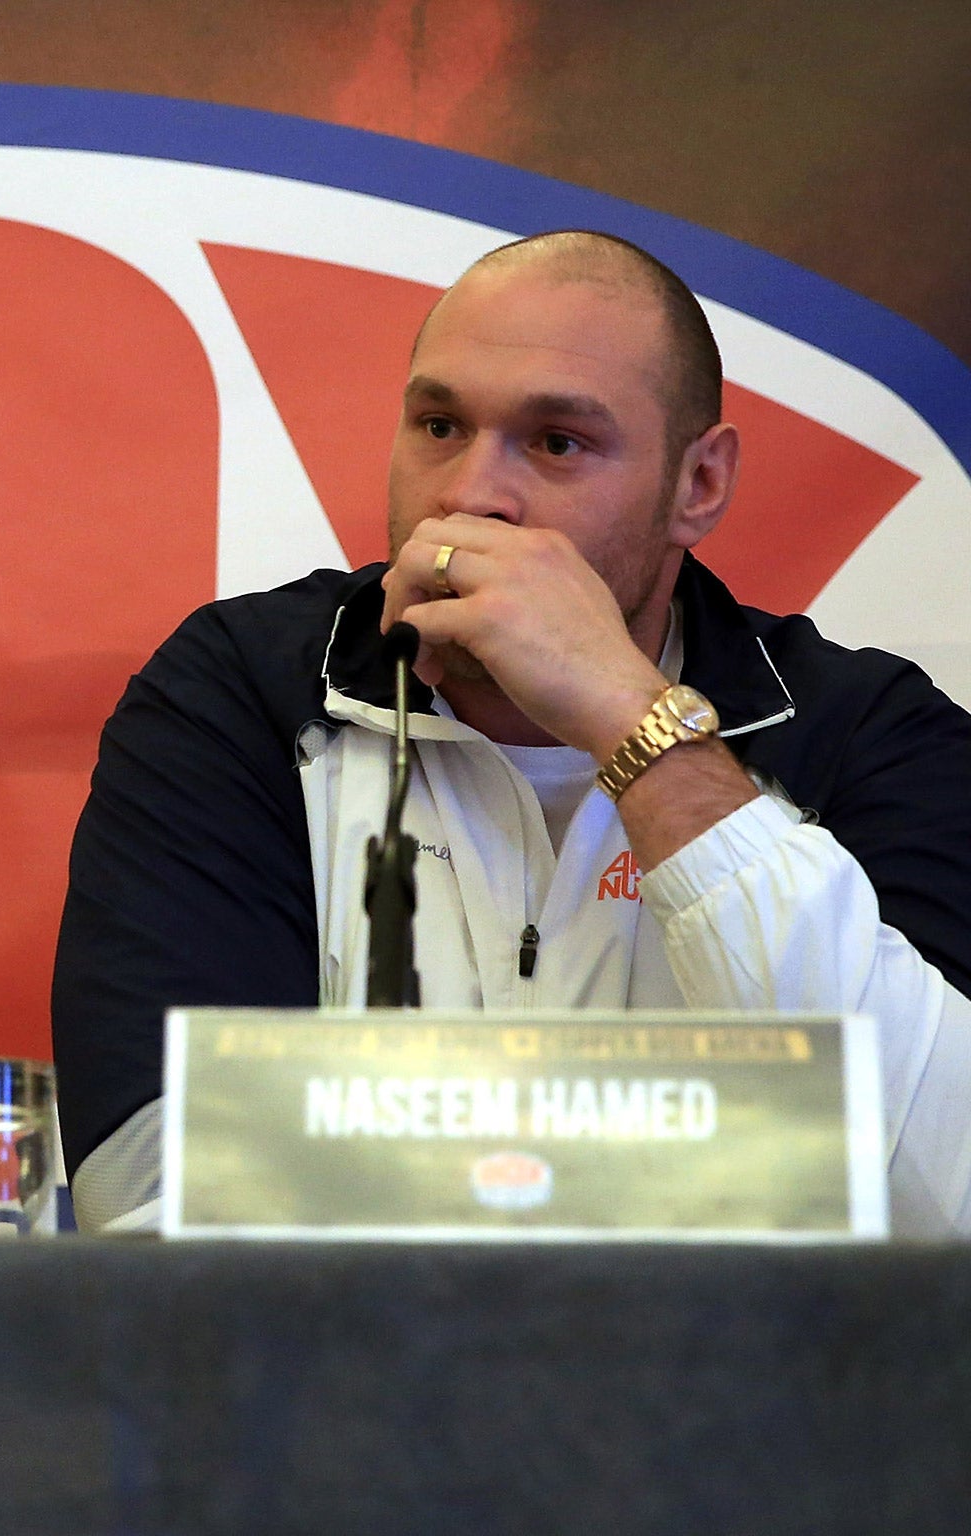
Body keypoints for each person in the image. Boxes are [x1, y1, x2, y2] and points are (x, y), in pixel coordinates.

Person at [53, 230, 971, 1235]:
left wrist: (633, 724)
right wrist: (708, 1176)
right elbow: (146, 1198)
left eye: (555, 442)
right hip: (347, 1395)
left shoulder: (866, 733)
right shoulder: (239, 696)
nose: (467, 494)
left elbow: (939, 1201)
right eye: (438, 424)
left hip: (752, 1395)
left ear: (696, 484)